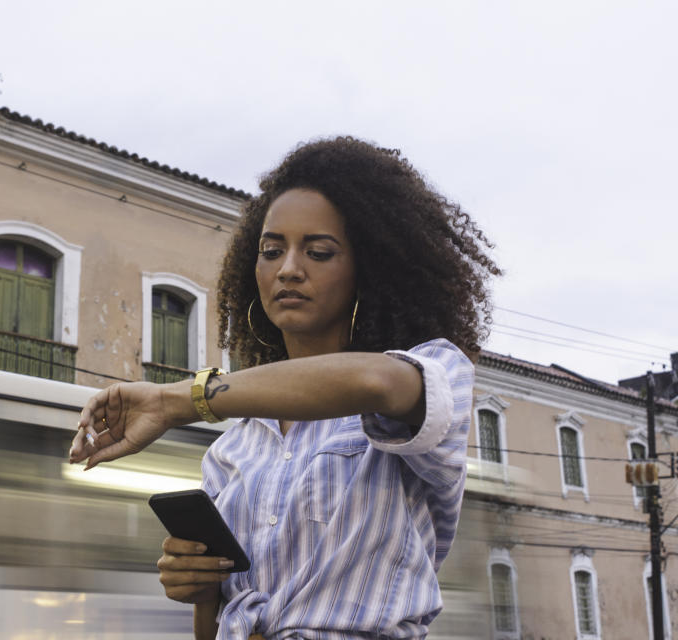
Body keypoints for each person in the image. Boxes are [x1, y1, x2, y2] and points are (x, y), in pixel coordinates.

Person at [69, 137, 500, 640]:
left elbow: (372, 381)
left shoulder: (431, 376)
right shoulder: (233, 450)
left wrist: (173, 400)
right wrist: (201, 588)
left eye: (318, 252)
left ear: (370, 268)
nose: (289, 268)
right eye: (272, 251)